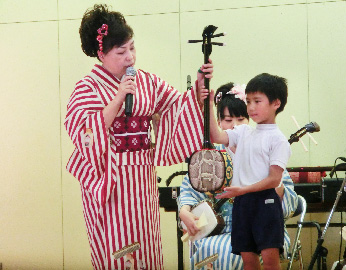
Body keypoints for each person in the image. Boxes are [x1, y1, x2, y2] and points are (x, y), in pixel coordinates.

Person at [64, 4, 212, 270]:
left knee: (147, 244)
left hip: (142, 178)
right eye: (121, 52)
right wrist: (119, 97)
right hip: (110, 181)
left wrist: (199, 86)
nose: (130, 57)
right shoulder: (87, 87)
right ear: (101, 53)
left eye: (132, 48)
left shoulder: (148, 82)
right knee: (117, 248)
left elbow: (175, 109)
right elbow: (83, 134)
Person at [178, 82, 297, 269]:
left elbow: (288, 200)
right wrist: (184, 211)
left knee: (243, 254)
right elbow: (188, 189)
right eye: (227, 120)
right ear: (218, 122)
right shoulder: (210, 157)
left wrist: (275, 187)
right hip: (218, 231)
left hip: (263, 222)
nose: (234, 126)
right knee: (226, 250)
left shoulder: (267, 143)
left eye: (241, 119)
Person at [209, 74, 291, 270]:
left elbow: (274, 179)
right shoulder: (244, 132)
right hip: (242, 204)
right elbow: (216, 135)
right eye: (248, 101)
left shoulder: (278, 140)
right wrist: (206, 106)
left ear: (276, 103)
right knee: (248, 260)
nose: (251, 107)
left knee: (270, 262)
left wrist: (243, 190)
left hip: (266, 204)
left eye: (257, 101)